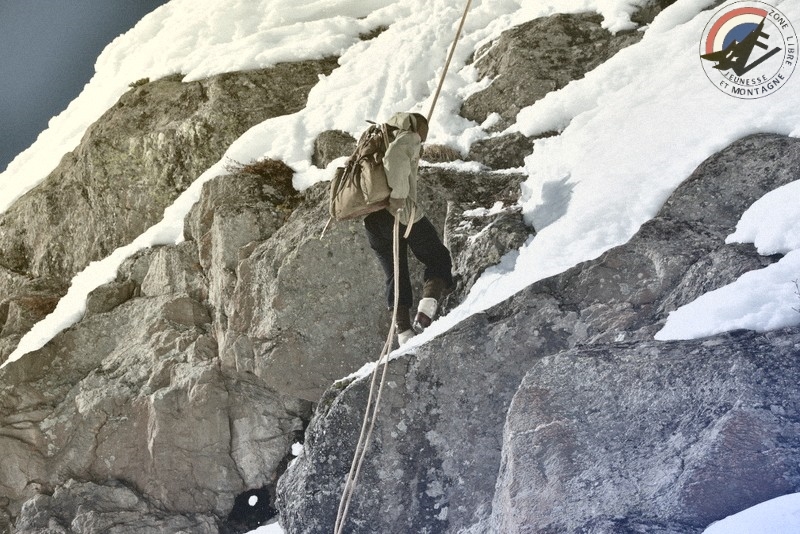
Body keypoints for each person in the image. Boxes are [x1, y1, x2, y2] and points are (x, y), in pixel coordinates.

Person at [363, 111, 454, 345]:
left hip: (373, 221)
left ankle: (403, 332)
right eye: (424, 133)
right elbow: (395, 159)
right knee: (438, 257)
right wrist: (399, 198)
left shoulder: (381, 137)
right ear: (417, 127)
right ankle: (426, 310)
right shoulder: (406, 137)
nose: (424, 138)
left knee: (396, 273)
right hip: (399, 212)